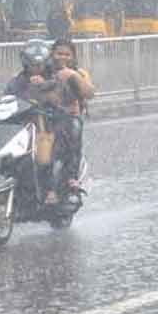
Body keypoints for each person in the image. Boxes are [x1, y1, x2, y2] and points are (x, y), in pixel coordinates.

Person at [41, 38, 95, 204]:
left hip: (68, 117)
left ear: (73, 57)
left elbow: (90, 93)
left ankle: (71, 180)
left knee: (72, 131)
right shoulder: (43, 71)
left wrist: (73, 77)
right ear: (52, 54)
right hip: (43, 116)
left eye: (67, 54)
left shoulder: (78, 73)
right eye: (59, 53)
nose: (62, 57)